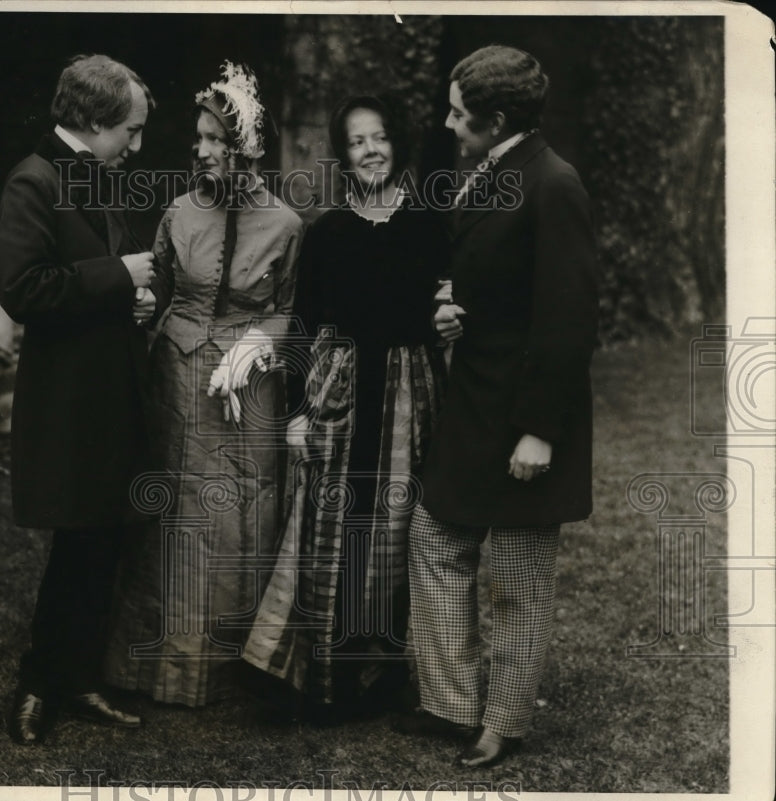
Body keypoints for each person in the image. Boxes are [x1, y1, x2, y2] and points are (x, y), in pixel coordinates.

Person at [396, 45, 598, 768]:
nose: (450, 125)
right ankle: (450, 704)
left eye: (459, 113)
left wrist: (540, 431)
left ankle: (503, 722)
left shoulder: (554, 183)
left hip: (527, 416)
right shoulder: (492, 169)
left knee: (516, 573)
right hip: (475, 399)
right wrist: (453, 309)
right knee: (436, 537)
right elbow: (489, 270)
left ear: (498, 119)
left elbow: (569, 321)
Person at [104, 62, 303, 707]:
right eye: (200, 138)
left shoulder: (286, 225)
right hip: (177, 379)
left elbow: (292, 308)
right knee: (169, 510)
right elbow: (157, 286)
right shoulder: (179, 213)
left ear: (247, 149)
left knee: (239, 513)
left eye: (217, 140)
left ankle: (232, 671)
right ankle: (150, 668)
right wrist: (143, 303)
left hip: (247, 391)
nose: (203, 150)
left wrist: (259, 343)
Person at [242, 95, 447, 722]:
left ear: (397, 145)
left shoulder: (430, 223)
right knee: (330, 528)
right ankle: (322, 675)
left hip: (408, 394)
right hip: (338, 391)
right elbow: (303, 324)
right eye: (357, 142)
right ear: (344, 153)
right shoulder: (327, 231)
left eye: (380, 138)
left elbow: (449, 316)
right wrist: (300, 410)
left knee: (393, 530)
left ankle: (382, 673)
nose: (371, 151)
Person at [0, 54, 164, 745]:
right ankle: (36, 685)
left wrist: (133, 299)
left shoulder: (98, 173)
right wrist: (117, 275)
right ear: (92, 123)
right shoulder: (32, 181)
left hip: (111, 391)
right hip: (68, 402)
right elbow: (24, 288)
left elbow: (87, 282)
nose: (138, 144)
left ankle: (78, 675)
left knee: (102, 539)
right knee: (76, 542)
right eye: (131, 129)